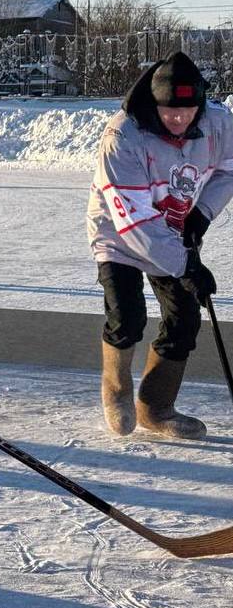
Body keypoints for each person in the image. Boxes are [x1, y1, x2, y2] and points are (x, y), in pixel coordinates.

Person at [87, 51, 233, 440]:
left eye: (187, 110)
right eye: (170, 111)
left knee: (185, 317)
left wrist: (201, 212)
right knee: (127, 316)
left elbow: (230, 167)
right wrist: (187, 265)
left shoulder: (219, 123)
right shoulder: (124, 136)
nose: (179, 119)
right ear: (155, 102)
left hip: (174, 227)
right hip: (119, 232)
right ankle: (116, 391)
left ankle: (155, 406)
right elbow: (133, 221)